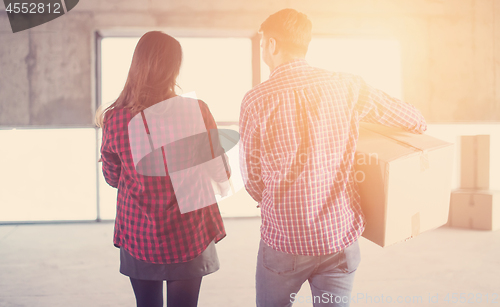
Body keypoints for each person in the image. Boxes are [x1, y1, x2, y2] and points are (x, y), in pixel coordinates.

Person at [239, 9, 427, 307]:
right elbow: (413, 120)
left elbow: (251, 177)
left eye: (262, 44)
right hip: (338, 238)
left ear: (272, 45)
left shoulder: (257, 100)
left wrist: (275, 199)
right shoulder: (347, 85)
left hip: (285, 240)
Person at [95, 31, 230, 307]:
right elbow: (220, 173)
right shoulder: (196, 110)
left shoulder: (115, 118)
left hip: (138, 232)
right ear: (173, 68)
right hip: (189, 232)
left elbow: (112, 177)